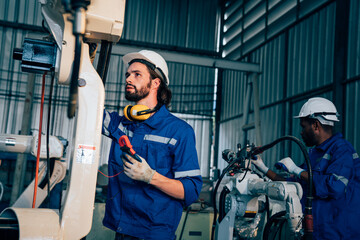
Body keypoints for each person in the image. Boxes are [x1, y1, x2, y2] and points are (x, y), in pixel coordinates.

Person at [101, 50, 203, 240]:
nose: (128, 79)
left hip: (154, 234)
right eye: (128, 74)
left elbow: (191, 190)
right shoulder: (121, 124)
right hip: (121, 230)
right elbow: (91, 108)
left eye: (137, 74)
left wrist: (151, 177)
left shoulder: (179, 131)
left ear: (156, 83)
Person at [251, 97, 360, 240]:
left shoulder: (341, 150)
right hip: (317, 231)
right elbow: (294, 184)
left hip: (339, 233)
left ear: (316, 125)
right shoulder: (315, 155)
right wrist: (263, 168)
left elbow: (336, 186)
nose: (301, 132)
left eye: (303, 126)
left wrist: (296, 169)